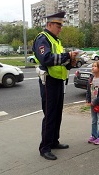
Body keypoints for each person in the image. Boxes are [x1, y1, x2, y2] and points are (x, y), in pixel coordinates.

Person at [32, 11, 79, 160]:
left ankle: (54, 141)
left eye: (61, 25)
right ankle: (44, 147)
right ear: (49, 24)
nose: (61, 28)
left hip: (58, 81)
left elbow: (60, 62)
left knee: (57, 114)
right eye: (58, 25)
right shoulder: (42, 39)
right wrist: (67, 56)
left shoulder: (56, 41)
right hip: (49, 81)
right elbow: (46, 58)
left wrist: (70, 62)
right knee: (50, 114)